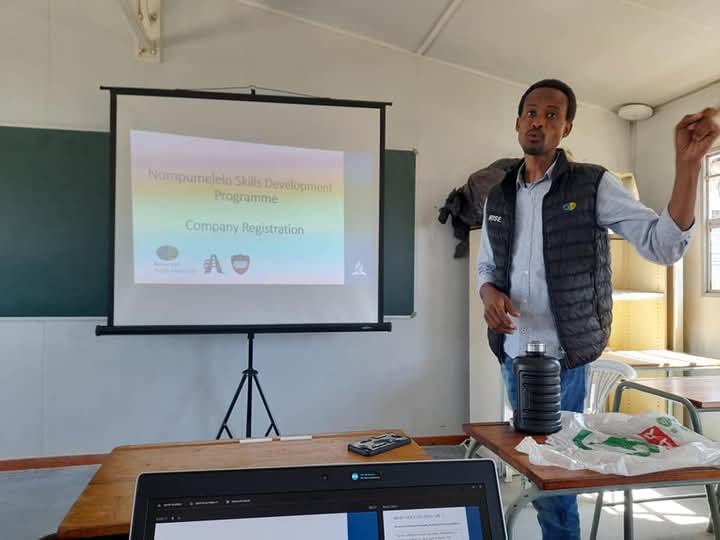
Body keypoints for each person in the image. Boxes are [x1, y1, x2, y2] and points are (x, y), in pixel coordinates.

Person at [476, 79, 719, 540]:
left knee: (555, 477)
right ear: (517, 122)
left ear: (566, 128)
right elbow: (487, 265)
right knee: (534, 465)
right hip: (512, 353)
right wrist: (489, 294)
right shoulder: (498, 194)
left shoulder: (593, 184)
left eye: (552, 115)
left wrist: (689, 166)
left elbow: (662, 246)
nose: (538, 122)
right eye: (531, 112)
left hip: (563, 359)